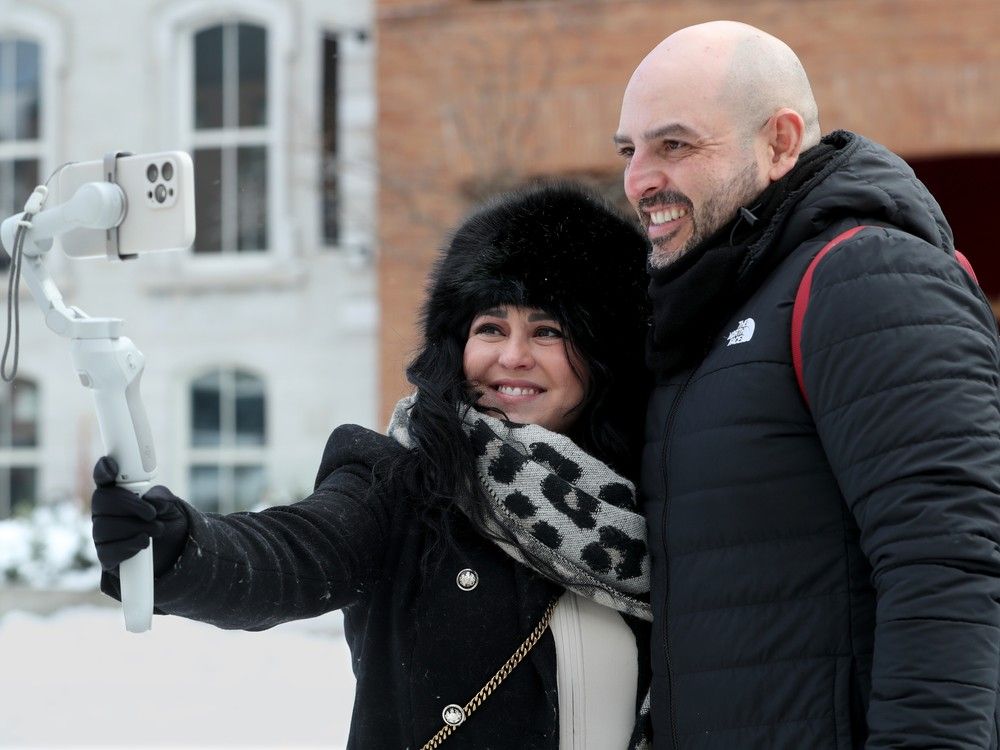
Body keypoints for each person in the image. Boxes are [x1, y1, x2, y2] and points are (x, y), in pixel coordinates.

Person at [90, 183, 656, 749]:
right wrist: (180, 547)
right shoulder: (405, 483)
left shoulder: (650, 502)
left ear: (602, 351)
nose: (512, 356)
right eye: (490, 328)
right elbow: (296, 552)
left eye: (547, 331)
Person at [613, 19, 1000, 749]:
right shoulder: (705, 309)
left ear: (781, 142)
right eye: (629, 150)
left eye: (675, 145)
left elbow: (950, 567)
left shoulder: (868, 278)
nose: (640, 180)